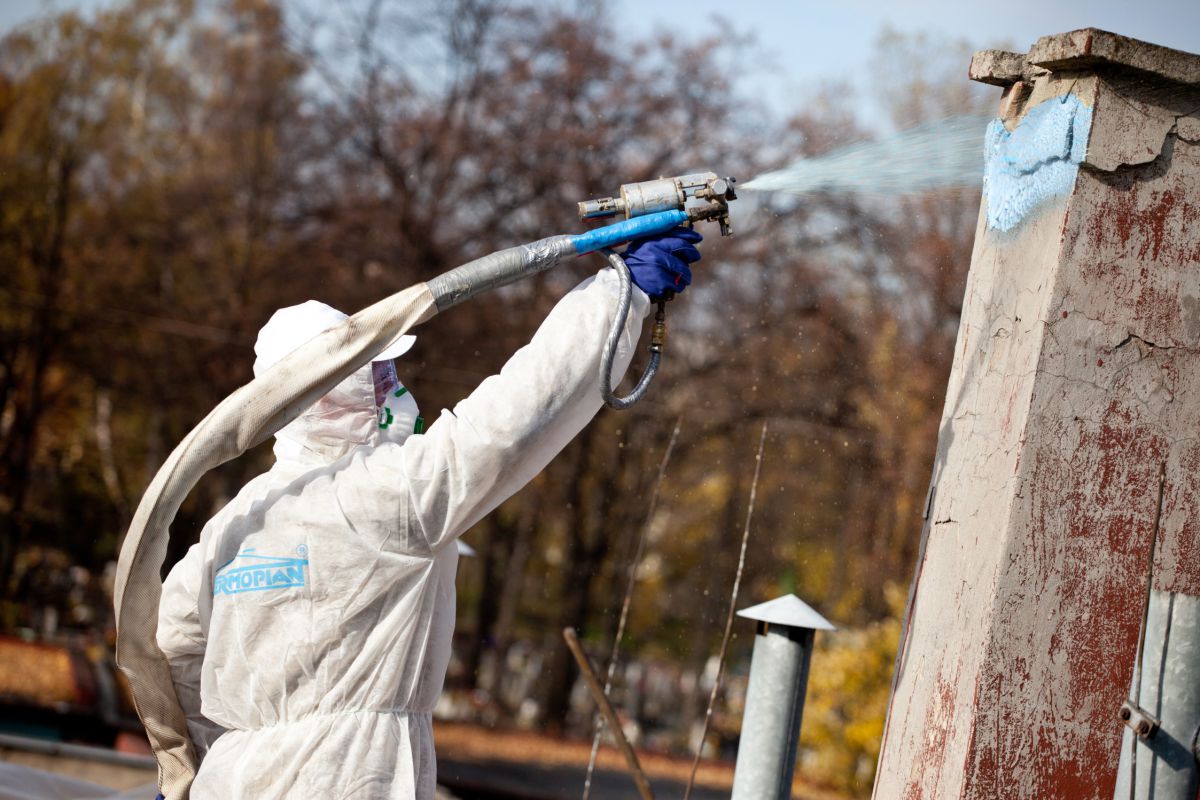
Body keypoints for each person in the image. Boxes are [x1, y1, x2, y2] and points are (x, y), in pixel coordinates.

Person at [155, 228, 703, 798]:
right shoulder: (385, 496)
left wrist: (211, 758)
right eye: (378, 373)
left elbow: (170, 646)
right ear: (329, 393)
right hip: (348, 780)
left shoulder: (239, 519)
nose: (396, 385)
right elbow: (515, 418)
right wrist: (622, 294)